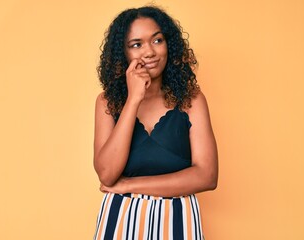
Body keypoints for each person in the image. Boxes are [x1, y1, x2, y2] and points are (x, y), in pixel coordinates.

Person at [93, 6, 218, 240]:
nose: (149, 52)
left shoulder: (192, 100)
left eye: (157, 40)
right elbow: (107, 174)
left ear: (168, 44)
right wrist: (133, 99)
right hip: (121, 219)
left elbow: (207, 176)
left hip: (178, 221)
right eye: (136, 44)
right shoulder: (107, 102)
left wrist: (129, 185)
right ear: (123, 53)